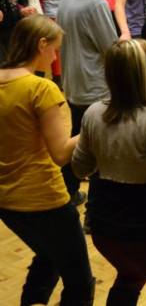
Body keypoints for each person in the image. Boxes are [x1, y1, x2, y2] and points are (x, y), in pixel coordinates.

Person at [71, 40, 146, 306]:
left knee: (130, 276)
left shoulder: (93, 113)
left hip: (103, 226)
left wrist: (108, 150)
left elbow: (79, 168)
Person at [0, 15, 95, 306]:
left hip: (7, 201)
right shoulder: (41, 89)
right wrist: (94, 126)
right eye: (55, 49)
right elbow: (62, 154)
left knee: (48, 258)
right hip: (45, 199)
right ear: (42, 44)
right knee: (80, 283)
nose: (55, 57)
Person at [57, 0, 118, 206]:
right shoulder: (96, 3)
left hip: (73, 85)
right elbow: (111, 49)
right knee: (100, 150)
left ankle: (67, 192)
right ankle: (96, 209)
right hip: (95, 87)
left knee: (78, 140)